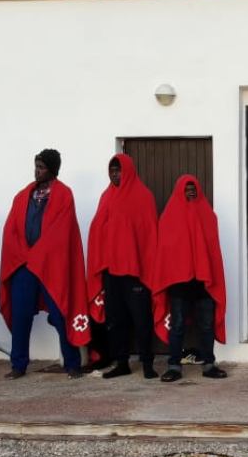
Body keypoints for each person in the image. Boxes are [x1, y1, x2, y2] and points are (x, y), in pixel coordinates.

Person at [0, 148, 92, 379]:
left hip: (51, 266)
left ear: (52, 169)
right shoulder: (23, 195)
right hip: (24, 266)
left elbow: (61, 232)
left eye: (41, 167)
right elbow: (11, 228)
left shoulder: (64, 194)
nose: (37, 171)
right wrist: (23, 254)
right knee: (21, 315)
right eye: (36, 166)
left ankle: (72, 363)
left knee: (61, 313)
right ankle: (18, 364)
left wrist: (38, 255)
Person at [86, 152, 159, 379]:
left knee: (141, 319)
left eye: (118, 170)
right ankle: (121, 363)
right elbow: (98, 228)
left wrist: (148, 267)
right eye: (112, 170)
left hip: (136, 272)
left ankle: (148, 363)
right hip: (111, 271)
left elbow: (149, 235)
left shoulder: (143, 196)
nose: (115, 174)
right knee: (115, 320)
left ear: (127, 170)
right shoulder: (106, 196)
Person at [150, 175, 227, 382]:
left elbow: (212, 251)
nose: (191, 192)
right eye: (187, 189)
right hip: (179, 283)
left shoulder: (208, 215)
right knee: (178, 325)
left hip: (203, 283)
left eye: (194, 189)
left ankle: (209, 364)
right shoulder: (168, 217)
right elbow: (165, 251)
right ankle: (174, 365)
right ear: (179, 191)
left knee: (206, 324)